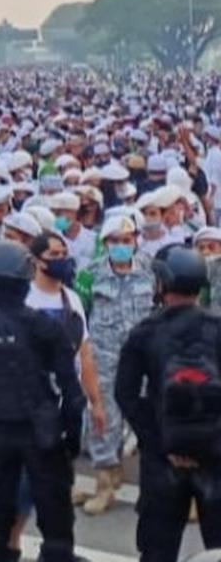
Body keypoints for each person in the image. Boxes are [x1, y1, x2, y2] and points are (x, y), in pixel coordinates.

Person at [0, 241, 85, 562]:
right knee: (56, 524)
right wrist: (71, 441)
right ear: (27, 277)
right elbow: (72, 394)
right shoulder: (45, 327)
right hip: (41, 434)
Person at [115, 244, 221, 560]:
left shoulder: (145, 332)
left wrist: (162, 441)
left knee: (157, 550)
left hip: (163, 462)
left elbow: (125, 394)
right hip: (215, 460)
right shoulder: (217, 328)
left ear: (162, 283)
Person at [70, 215, 155, 515]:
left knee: (146, 419)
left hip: (143, 360)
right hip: (103, 360)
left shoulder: (150, 270)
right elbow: (78, 316)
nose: (121, 246)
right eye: (115, 241)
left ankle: (151, 483)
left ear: (136, 241)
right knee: (103, 420)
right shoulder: (89, 274)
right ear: (105, 243)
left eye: (127, 240)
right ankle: (105, 483)